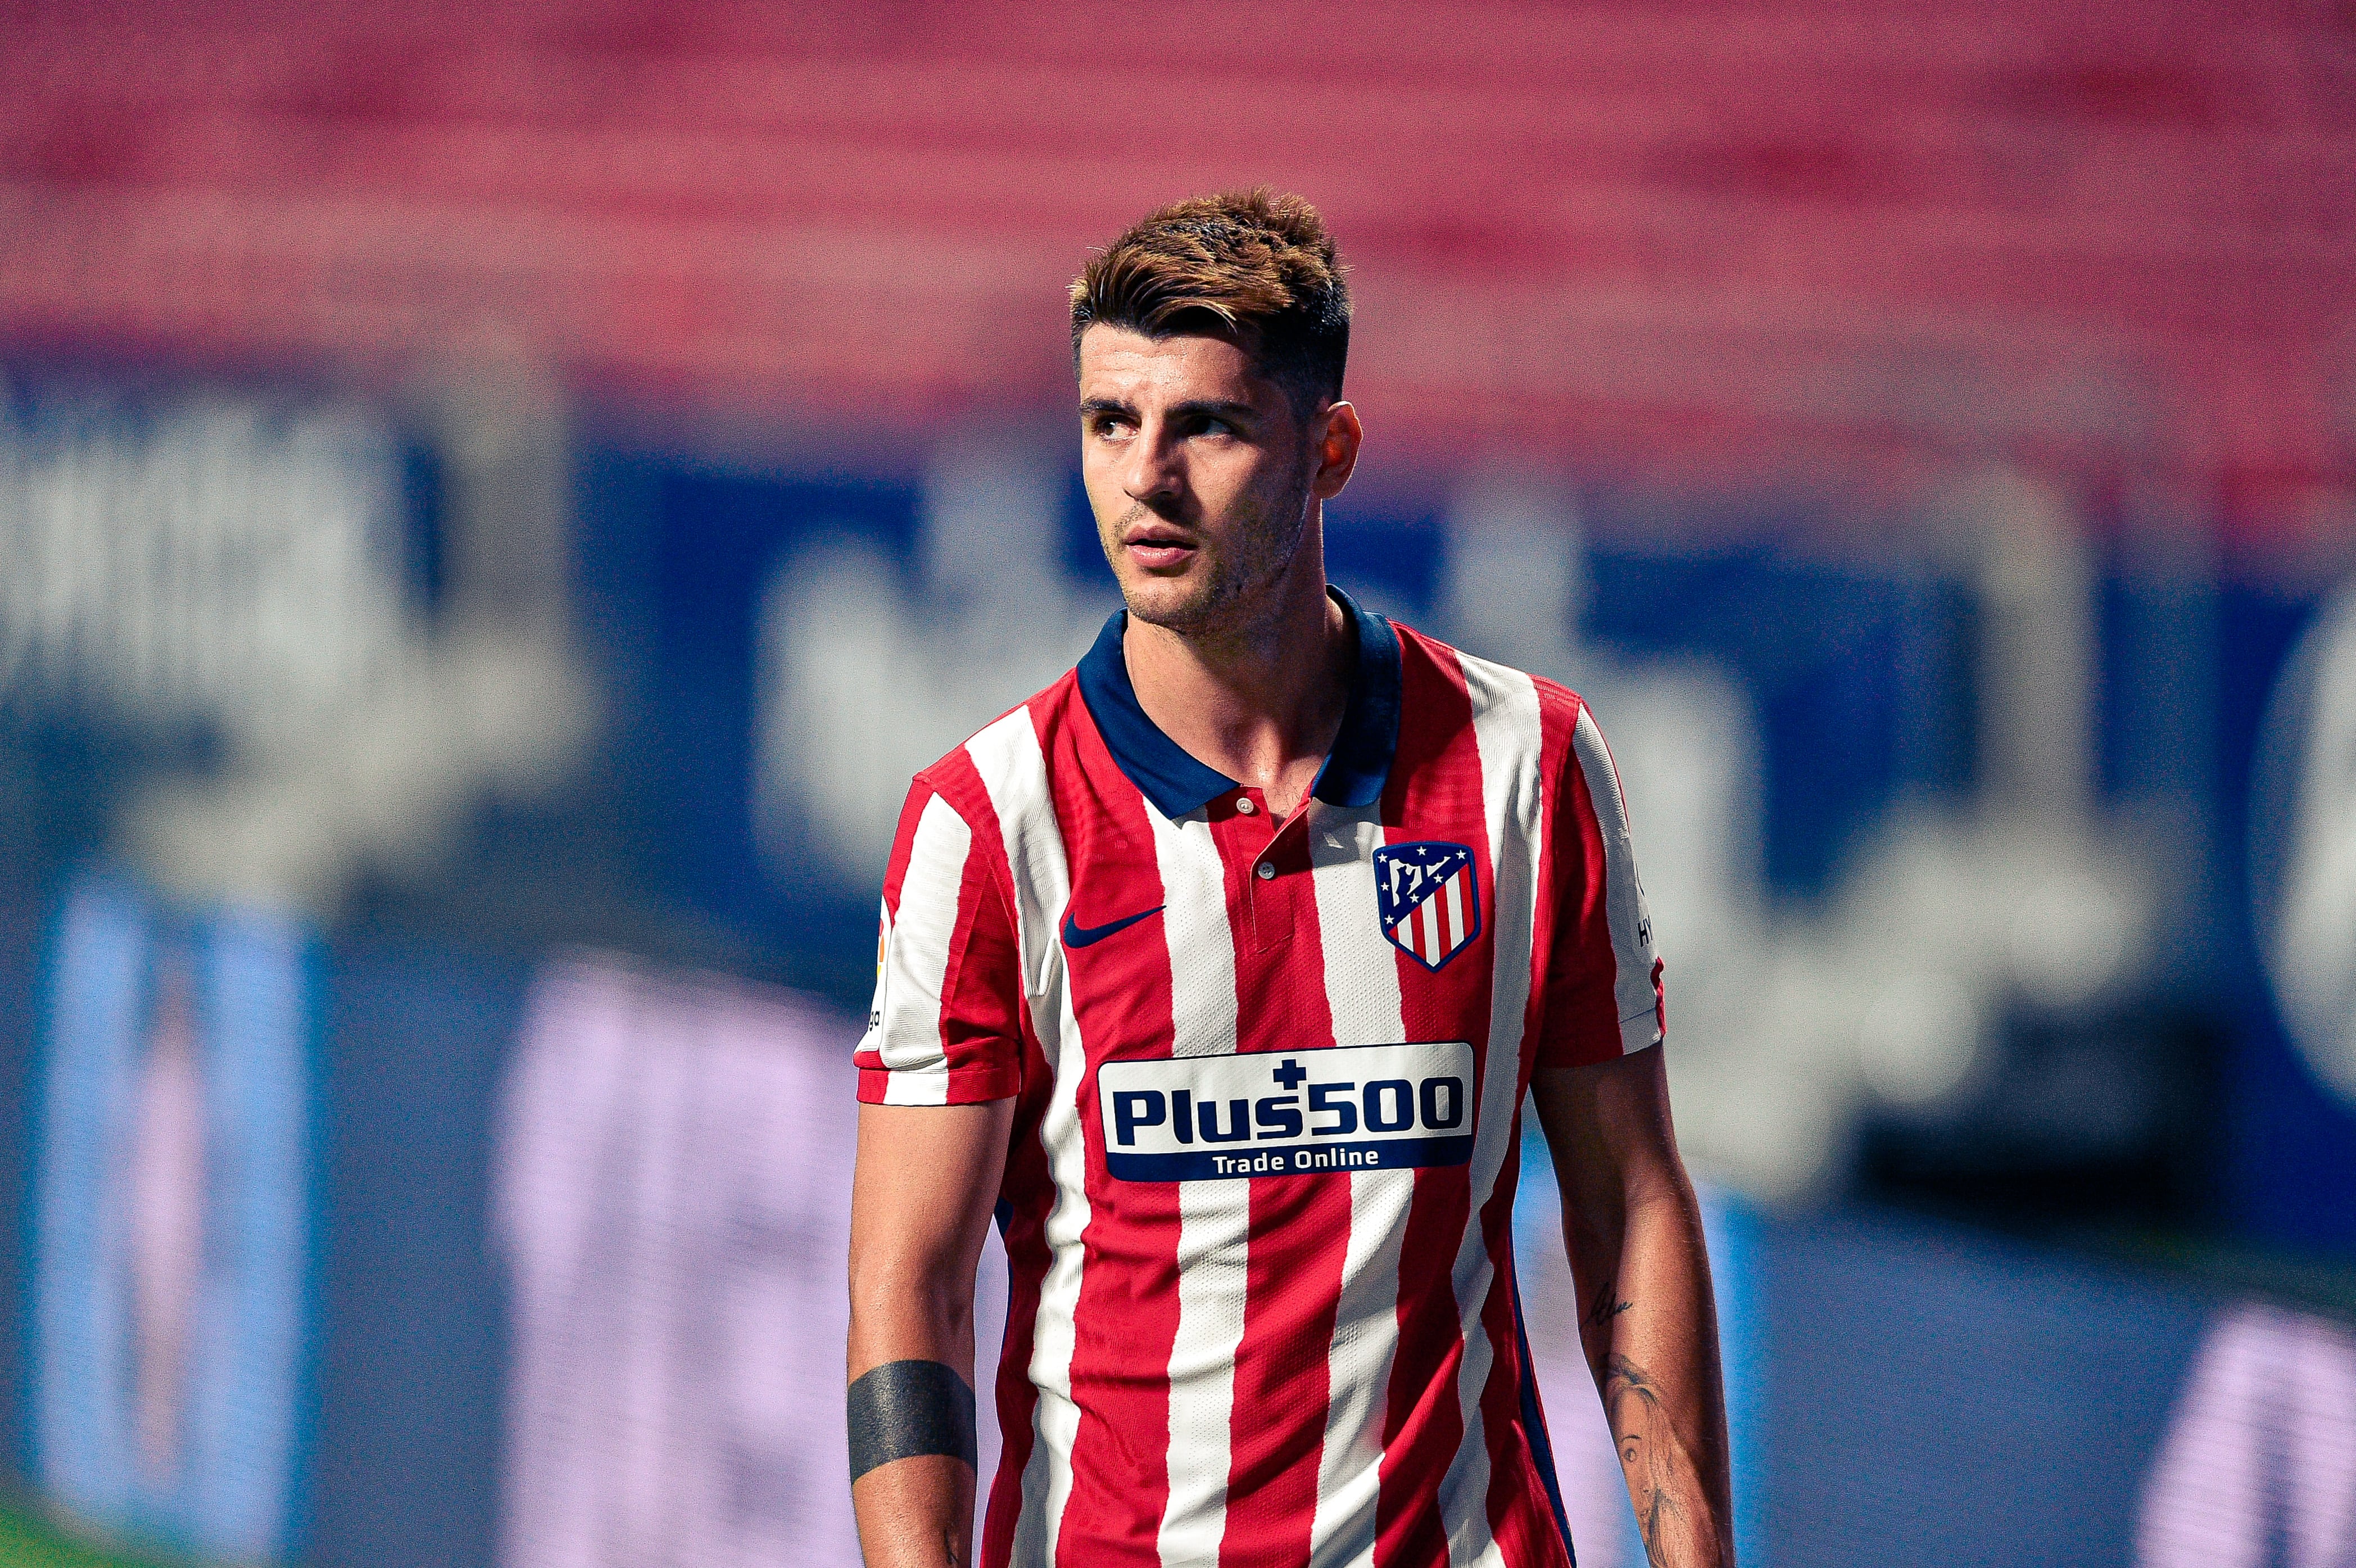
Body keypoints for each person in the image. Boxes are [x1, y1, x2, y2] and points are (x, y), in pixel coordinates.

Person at [846, 188, 1734, 1568]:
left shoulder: (1530, 768)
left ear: (1329, 451)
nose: (1146, 476)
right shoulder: (986, 823)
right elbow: (910, 1289)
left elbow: (1630, 1205)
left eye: (1205, 424)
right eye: (1109, 423)